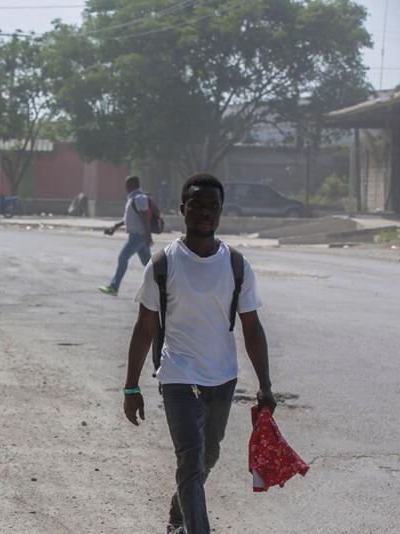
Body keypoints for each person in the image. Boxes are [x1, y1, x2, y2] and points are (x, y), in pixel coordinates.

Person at [121, 173, 277, 534]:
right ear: (182, 210)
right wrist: (131, 387)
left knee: (208, 455)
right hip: (177, 375)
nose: (205, 213)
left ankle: (179, 513)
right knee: (190, 460)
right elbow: (145, 328)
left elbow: (252, 329)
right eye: (197, 205)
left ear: (220, 212)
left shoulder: (237, 266)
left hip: (222, 377)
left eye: (212, 207)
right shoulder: (163, 264)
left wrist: (266, 384)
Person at [100, 175, 153, 296]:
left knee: (122, 258)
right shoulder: (133, 198)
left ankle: (114, 287)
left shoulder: (139, 198)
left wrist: (148, 237)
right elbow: (128, 219)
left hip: (138, 236)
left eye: (126, 185)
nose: (125, 187)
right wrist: (115, 227)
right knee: (149, 264)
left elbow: (145, 218)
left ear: (131, 185)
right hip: (138, 236)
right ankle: (168, 284)